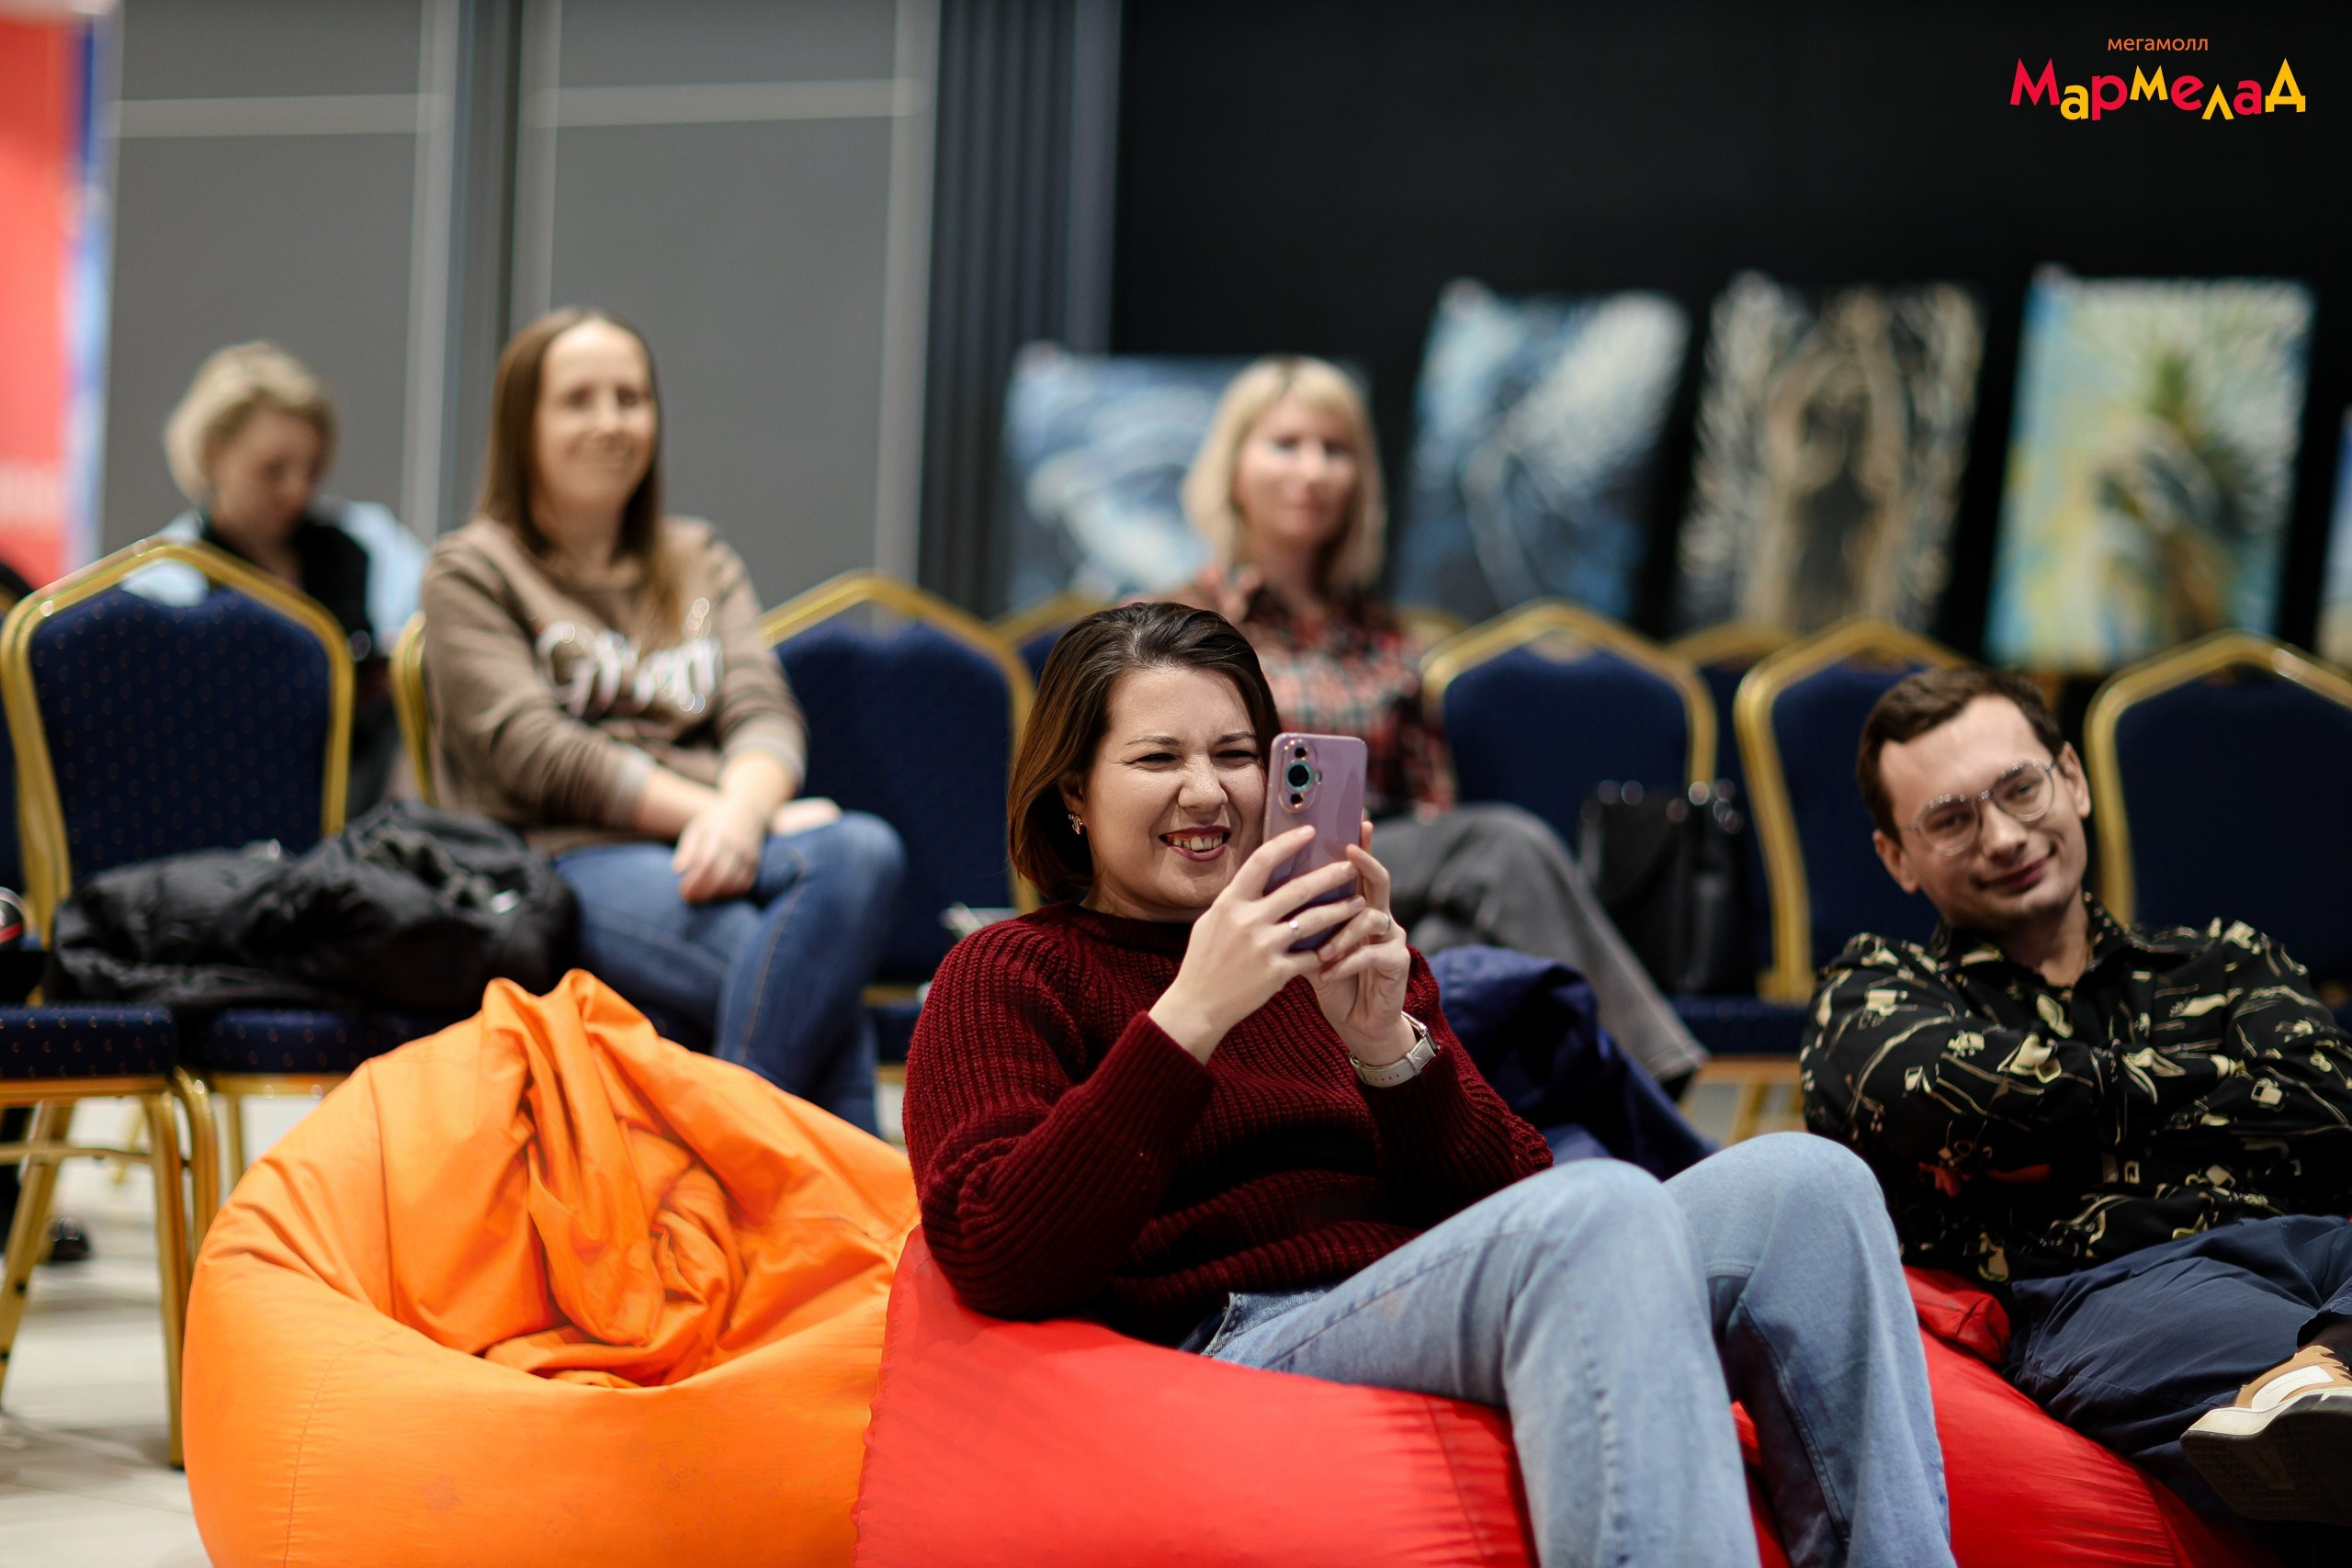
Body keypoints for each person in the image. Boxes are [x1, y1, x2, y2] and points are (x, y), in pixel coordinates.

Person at [903, 601, 1952, 1568]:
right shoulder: (1006, 972)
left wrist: (1386, 1046)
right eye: (1156, 757)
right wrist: (1189, 1016)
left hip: (1413, 1293)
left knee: (1809, 1185)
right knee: (1601, 1206)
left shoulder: (1336, 948)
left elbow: (1517, 1197)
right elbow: (995, 1247)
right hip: (1235, 1338)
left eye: (1235, 754)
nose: (1206, 791)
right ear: (1074, 795)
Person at [1801, 667, 2352, 1552]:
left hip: (2321, 1244)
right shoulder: (1876, 990)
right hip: (2116, 1291)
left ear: (2073, 779)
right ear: (1897, 856)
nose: (2004, 835)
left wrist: (2065, 1125)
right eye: (1951, 819)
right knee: (2303, 1422)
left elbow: (2329, 1101)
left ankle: (2327, 1363)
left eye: (2021, 788)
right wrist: (2230, 1086)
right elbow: (1962, 1104)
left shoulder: (2224, 958)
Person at [419, 308, 904, 1132]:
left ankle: (733, 1166)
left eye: (631, 397)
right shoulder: (472, 569)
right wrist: (724, 814)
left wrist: (742, 814)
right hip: (567, 856)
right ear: (523, 423)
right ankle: (815, 1186)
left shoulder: (698, 558)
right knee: (807, 981)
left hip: (722, 832)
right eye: (578, 400)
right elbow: (536, 753)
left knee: (863, 849)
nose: (611, 421)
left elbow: (763, 711)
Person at [1178, 355, 1704, 1086]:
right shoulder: (1184, 626)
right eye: (1286, 444)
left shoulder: (1387, 636)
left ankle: (1498, 1129)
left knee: (1453, 941)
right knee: (1504, 845)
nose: (1313, 470)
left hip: (1385, 861)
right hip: (1258, 868)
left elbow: (1432, 799)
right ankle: (1651, 1077)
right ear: (1234, 467)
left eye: (1335, 450)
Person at [130, 342, 425, 810]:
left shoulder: (368, 541)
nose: (297, 491)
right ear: (214, 453)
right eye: (273, 471)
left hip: (371, 803)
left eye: (313, 470)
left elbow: (432, 632)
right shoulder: (163, 583)